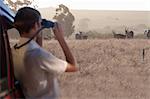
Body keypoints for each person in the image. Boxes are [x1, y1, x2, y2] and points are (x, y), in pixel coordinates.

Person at [12, 7, 78, 99]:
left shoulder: (14, 50)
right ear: (36, 25)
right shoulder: (37, 54)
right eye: (40, 23)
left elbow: (37, 63)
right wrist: (61, 38)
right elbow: (73, 67)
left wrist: (38, 36)